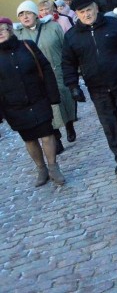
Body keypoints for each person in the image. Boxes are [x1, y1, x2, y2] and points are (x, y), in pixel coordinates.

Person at [62, 0, 117, 175]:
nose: (87, 14)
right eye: (82, 12)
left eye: (89, 10)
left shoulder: (114, 25)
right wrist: (73, 86)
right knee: (110, 124)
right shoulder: (72, 36)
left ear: (95, 8)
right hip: (97, 88)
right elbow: (68, 63)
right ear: (76, 14)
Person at [0, 17, 66, 187]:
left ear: (10, 30)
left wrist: (53, 95)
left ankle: (53, 167)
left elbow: (45, 68)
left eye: (3, 29)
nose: (0, 33)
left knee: (47, 133)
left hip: (38, 99)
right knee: (29, 139)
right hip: (14, 106)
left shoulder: (27, 46)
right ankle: (41, 169)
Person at [15, 0, 78, 146]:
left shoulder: (53, 27)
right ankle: (56, 138)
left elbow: (65, 48)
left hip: (58, 72)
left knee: (65, 101)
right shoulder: (18, 35)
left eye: (28, 13)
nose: (25, 17)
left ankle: (69, 125)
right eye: (21, 14)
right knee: (47, 108)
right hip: (37, 78)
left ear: (36, 14)